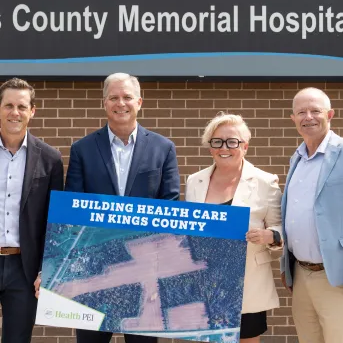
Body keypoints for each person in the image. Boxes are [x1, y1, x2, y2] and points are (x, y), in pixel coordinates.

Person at [64, 72, 180, 343]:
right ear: (104, 103)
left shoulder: (163, 148)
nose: (121, 103)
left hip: (145, 271)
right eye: (114, 97)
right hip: (96, 271)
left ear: (140, 101)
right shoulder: (82, 149)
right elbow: (72, 209)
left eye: (127, 97)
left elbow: (170, 204)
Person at [186, 113, 282, 343]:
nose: (224, 147)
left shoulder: (264, 182)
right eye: (217, 141)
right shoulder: (194, 181)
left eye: (232, 141)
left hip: (246, 282)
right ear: (210, 147)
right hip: (205, 283)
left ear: (245, 146)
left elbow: (281, 228)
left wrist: (269, 235)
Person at [0, 77, 63, 343]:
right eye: (9, 105)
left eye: (22, 106)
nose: (15, 112)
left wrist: (46, 268)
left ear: (32, 111)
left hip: (24, 269)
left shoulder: (50, 158)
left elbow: (54, 219)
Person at [280, 87, 343, 343]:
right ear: (293, 118)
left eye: (315, 110)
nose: (309, 117)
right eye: (301, 112)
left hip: (335, 276)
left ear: (330, 114)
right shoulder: (297, 159)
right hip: (301, 275)